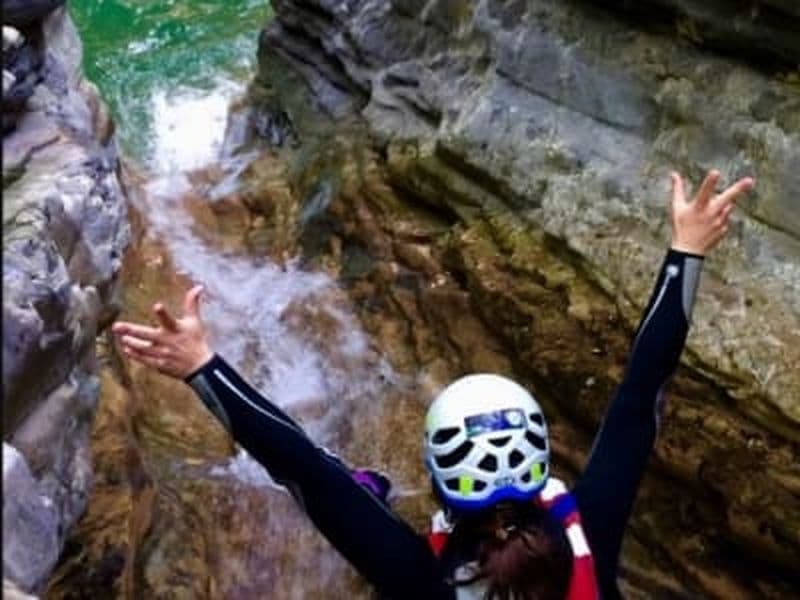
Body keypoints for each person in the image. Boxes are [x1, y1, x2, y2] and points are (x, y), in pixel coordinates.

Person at [112, 170, 754, 599]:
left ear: (443, 477)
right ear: (538, 458)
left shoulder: (418, 578)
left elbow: (303, 467)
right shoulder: (593, 524)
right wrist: (686, 249)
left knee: (350, 488)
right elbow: (641, 394)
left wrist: (201, 365)